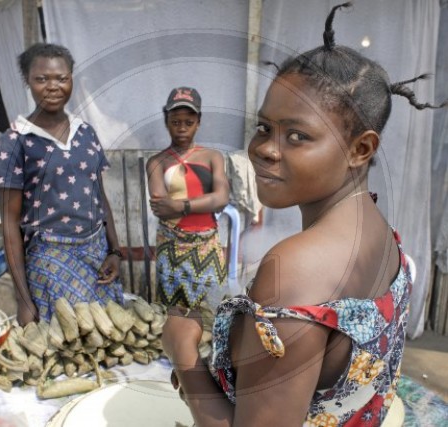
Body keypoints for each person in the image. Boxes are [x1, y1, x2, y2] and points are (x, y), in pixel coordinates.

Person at [162, 4, 445, 426]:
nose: (265, 149)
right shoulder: (381, 234)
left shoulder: (293, 271)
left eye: (297, 135)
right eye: (263, 127)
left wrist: (185, 357)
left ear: (361, 149)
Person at [0, 43, 124, 326]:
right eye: (42, 79)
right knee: (63, 350)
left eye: (61, 78)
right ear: (27, 81)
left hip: (96, 258)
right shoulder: (15, 140)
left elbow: (99, 196)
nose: (53, 86)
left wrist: (114, 250)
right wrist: (23, 299)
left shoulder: (85, 132)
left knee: (108, 344)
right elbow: (9, 222)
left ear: (72, 79)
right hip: (51, 265)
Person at [146, 87, 230, 309]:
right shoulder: (156, 162)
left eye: (188, 122)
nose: (182, 128)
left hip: (207, 248)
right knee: (172, 315)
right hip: (171, 248)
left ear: (199, 122)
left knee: (213, 314)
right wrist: (203, 202)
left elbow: (222, 198)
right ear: (166, 122)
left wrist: (181, 205)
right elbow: (162, 208)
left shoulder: (213, 157)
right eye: (175, 122)